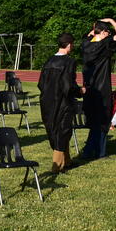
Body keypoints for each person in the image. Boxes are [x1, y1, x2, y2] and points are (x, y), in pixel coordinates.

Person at [80, 17, 116, 158]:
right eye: (108, 32)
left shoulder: (85, 44)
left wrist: (95, 30)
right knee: (103, 121)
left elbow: (89, 36)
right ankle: (98, 151)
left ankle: (90, 150)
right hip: (102, 87)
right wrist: (111, 20)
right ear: (105, 32)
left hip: (89, 88)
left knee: (93, 121)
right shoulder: (105, 44)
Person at [37, 33, 83, 173]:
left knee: (54, 130)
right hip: (63, 101)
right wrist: (79, 91)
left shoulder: (49, 61)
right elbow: (68, 85)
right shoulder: (69, 62)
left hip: (47, 101)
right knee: (63, 131)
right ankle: (56, 166)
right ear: (69, 45)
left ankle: (67, 161)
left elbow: (40, 83)